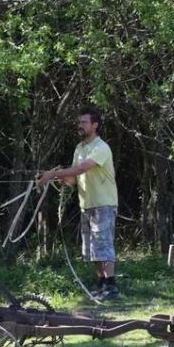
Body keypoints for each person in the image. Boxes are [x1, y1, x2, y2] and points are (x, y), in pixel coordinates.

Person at [37, 108, 119, 300]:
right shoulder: (79, 148)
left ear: (95, 125)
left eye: (83, 122)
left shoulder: (101, 147)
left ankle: (111, 286)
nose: (79, 125)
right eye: (79, 122)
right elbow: (73, 179)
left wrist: (54, 173)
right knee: (91, 248)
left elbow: (83, 168)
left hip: (103, 204)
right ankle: (100, 284)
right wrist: (58, 177)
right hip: (86, 205)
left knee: (104, 245)